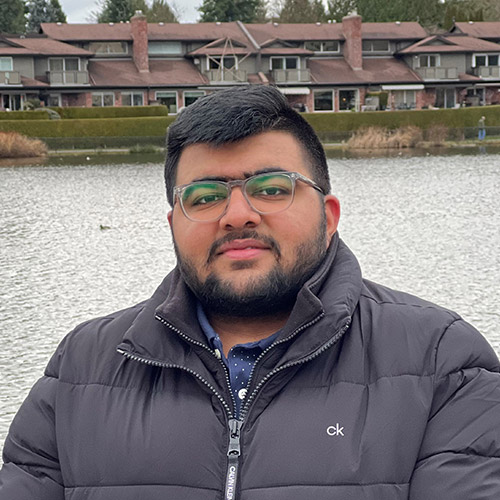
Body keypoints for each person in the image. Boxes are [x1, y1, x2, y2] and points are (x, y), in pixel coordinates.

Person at [1, 86, 499, 500]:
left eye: (272, 188)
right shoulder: (80, 368)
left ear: (329, 216)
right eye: (205, 197)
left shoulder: (442, 361)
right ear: (174, 225)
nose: (237, 214)